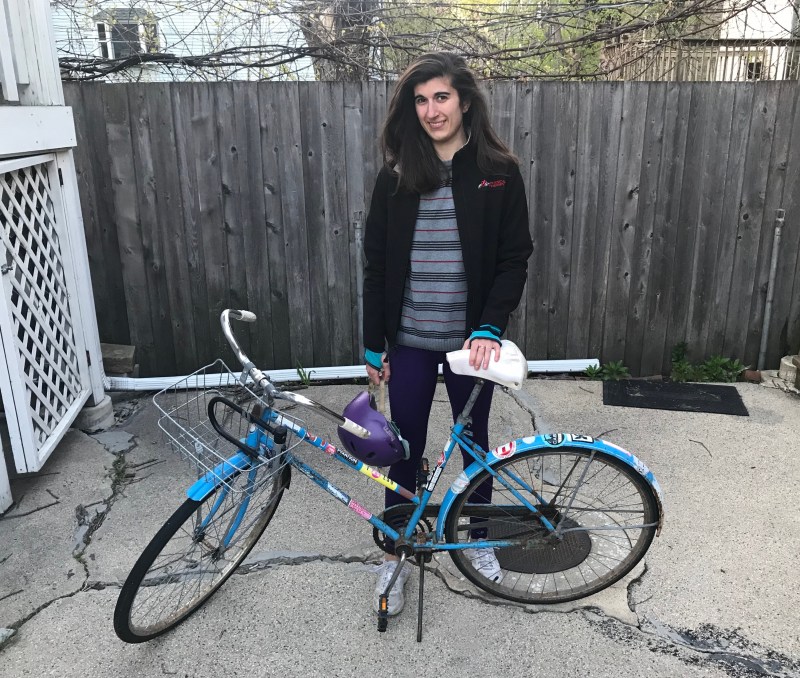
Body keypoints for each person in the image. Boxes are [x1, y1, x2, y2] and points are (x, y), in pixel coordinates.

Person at [361, 52, 533, 616]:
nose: (431, 110)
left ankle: (477, 538)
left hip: (469, 344)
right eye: (420, 100)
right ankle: (396, 547)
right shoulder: (396, 176)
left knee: (473, 445)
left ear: (463, 101)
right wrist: (372, 343)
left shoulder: (498, 171)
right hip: (408, 340)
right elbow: (376, 264)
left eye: (441, 97)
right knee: (402, 445)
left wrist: (490, 326)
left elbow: (514, 257)